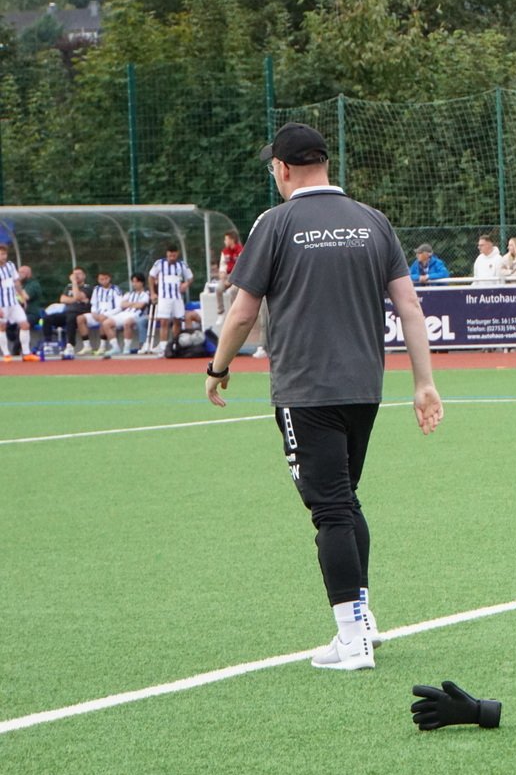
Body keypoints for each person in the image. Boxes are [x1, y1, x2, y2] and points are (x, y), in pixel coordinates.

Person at [205, 121, 443, 672]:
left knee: (330, 508)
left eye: (274, 166)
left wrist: (218, 366)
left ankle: (351, 639)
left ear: (284, 169)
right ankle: (363, 618)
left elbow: (241, 312)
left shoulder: (275, 223)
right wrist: (424, 382)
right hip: (363, 388)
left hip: (306, 389)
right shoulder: (372, 220)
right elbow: (410, 307)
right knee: (345, 500)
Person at [149, 244, 194, 354]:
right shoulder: (159, 263)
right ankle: (163, 346)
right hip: (164, 297)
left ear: (177, 254)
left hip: (177, 298)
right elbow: (151, 277)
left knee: (177, 320)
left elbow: (190, 277)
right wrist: (153, 293)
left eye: (174, 256)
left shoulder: (182, 265)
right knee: (164, 321)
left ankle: (175, 344)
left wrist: (186, 284)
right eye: (170, 256)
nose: (172, 258)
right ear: (167, 254)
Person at [42, 266, 91, 359]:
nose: (76, 276)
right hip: (67, 311)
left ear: (84, 276)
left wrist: (74, 284)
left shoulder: (87, 287)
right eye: (74, 274)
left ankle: (70, 345)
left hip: (80, 312)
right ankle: (48, 343)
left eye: (79, 274)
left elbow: (77, 296)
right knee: (48, 318)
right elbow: (62, 299)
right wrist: (75, 299)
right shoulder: (68, 287)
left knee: (71, 318)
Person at [0, 245, 39, 362]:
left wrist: (22, 296)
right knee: (2, 327)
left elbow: (16, 282)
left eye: (4, 254)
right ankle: (6, 354)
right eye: (1, 254)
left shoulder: (10, 265)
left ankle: (26, 353)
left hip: (13, 302)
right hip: (2, 303)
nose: (3, 257)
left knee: (25, 324)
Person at [102, 273, 151, 355]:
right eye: (133, 282)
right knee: (106, 323)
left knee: (127, 323)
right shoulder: (129, 294)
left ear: (142, 282)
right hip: (125, 313)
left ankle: (126, 347)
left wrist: (129, 304)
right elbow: (122, 304)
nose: (134, 284)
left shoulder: (146, 294)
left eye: (136, 282)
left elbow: (140, 306)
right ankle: (115, 347)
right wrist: (134, 304)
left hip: (137, 315)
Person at [76, 271, 122, 356]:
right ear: (98, 280)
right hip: (97, 314)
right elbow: (93, 304)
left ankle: (102, 346)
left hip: (110, 315)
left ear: (109, 278)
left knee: (102, 319)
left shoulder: (115, 289)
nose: (104, 281)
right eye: (101, 279)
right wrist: (94, 312)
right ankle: (87, 346)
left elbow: (119, 307)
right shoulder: (96, 289)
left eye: (105, 279)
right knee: (80, 318)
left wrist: (106, 314)